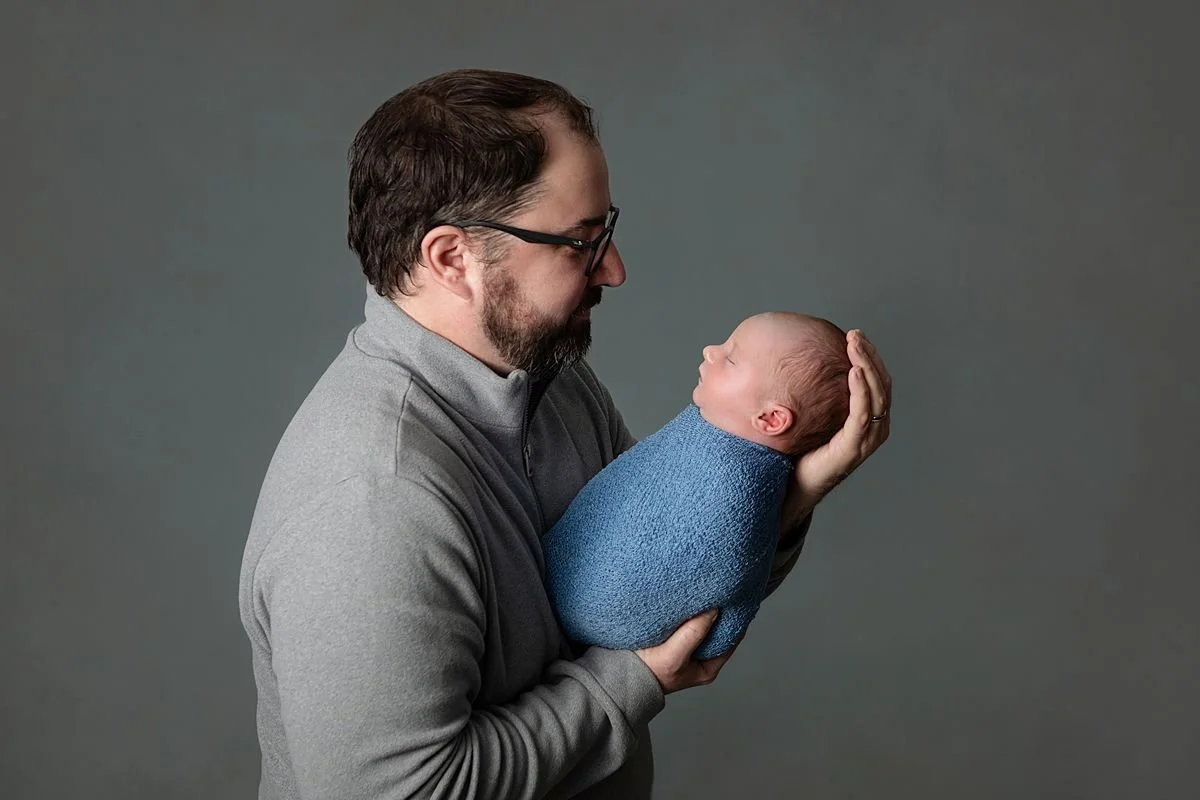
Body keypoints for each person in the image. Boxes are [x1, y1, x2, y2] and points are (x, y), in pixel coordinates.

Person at [238, 69, 892, 800]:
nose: (614, 268)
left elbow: (661, 588)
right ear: (452, 258)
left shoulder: (549, 380)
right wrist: (626, 685)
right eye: (581, 242)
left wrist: (793, 485)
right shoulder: (368, 500)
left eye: (606, 229)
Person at [543, 312, 850, 661]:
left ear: (770, 419)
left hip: (593, 614)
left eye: (731, 358)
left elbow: (734, 578)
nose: (710, 351)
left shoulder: (738, 497)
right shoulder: (702, 441)